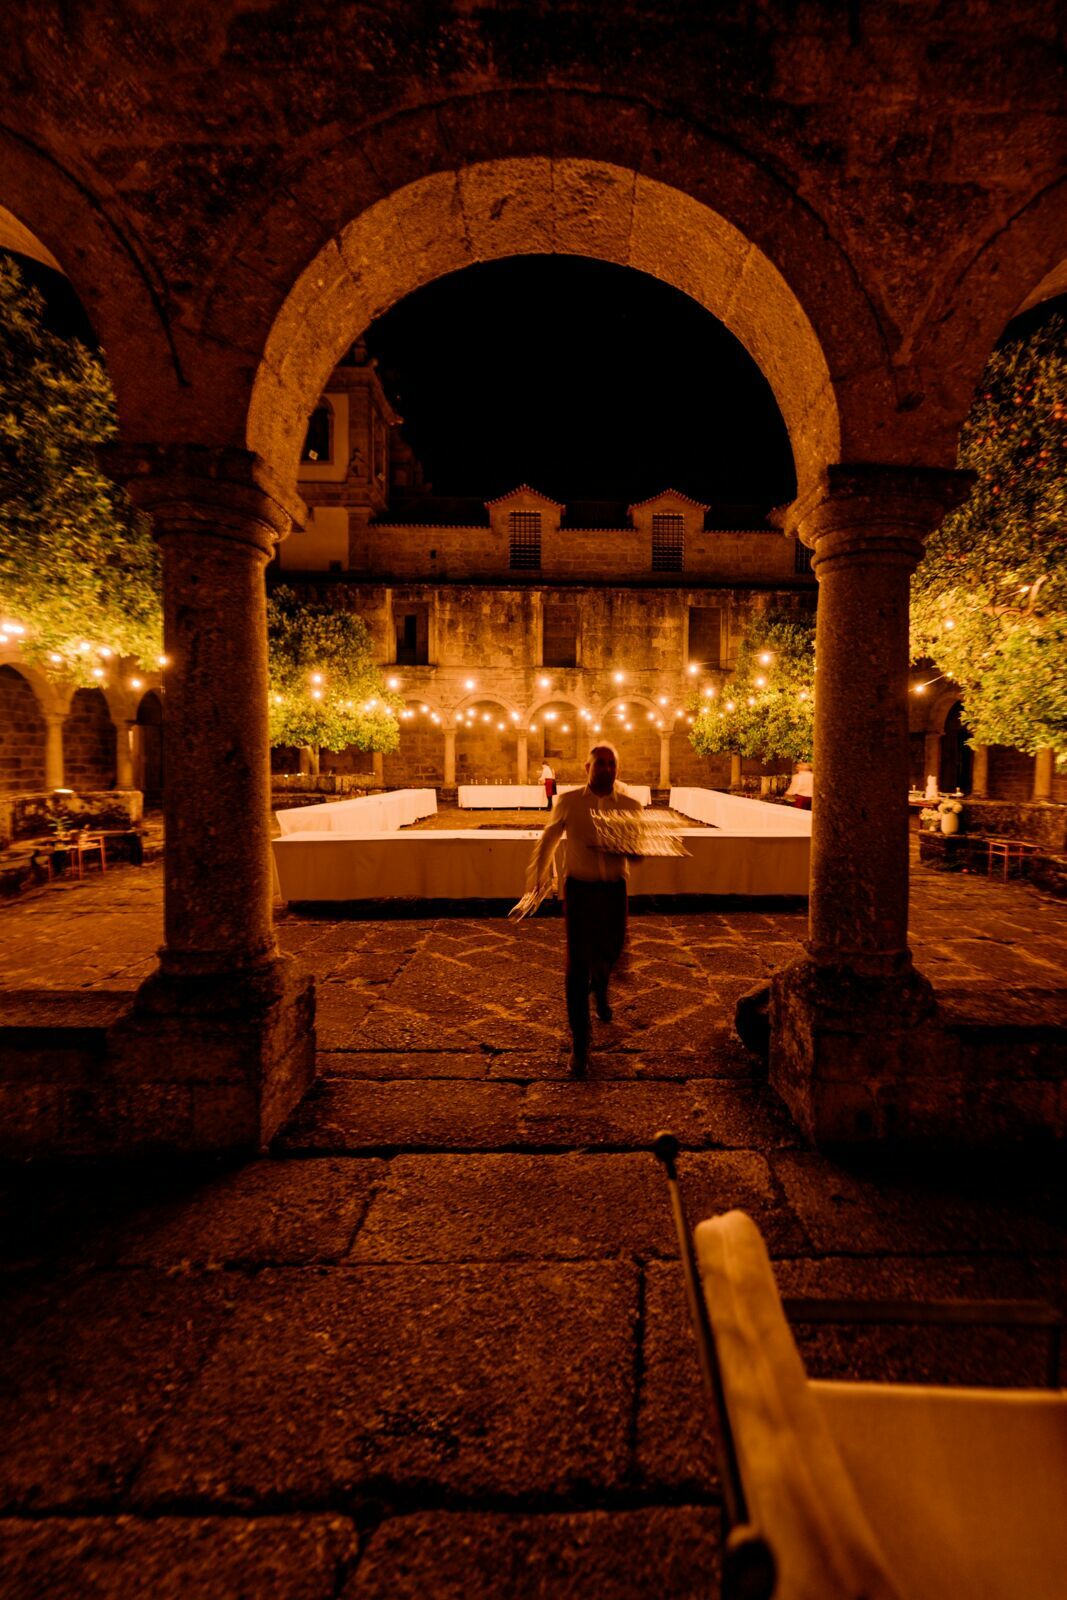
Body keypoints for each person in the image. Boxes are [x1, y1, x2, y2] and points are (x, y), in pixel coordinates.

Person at [525, 742, 642, 1073]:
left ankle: (600, 987)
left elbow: (636, 848)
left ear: (617, 769)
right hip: (580, 891)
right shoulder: (569, 802)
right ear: (586, 768)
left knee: (611, 952)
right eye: (599, 763)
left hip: (614, 891)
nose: (605, 768)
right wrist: (540, 878)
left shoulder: (632, 804)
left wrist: (635, 851)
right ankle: (580, 1043)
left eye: (611, 763)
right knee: (577, 965)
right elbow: (548, 839)